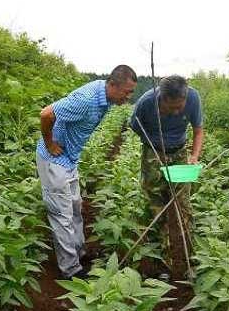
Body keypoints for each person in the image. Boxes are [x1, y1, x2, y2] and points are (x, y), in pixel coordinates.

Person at [37, 65, 137, 280]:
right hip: (55, 160)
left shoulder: (105, 97)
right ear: (112, 85)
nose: (128, 97)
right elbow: (46, 113)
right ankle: (71, 270)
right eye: (126, 92)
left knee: (75, 207)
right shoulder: (87, 98)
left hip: (69, 159)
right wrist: (50, 143)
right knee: (61, 215)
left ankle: (79, 252)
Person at [129, 75, 203, 277]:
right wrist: (154, 146)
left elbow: (198, 130)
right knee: (156, 208)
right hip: (153, 152)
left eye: (180, 106)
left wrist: (194, 156)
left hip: (179, 153)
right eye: (172, 107)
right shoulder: (146, 103)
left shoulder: (194, 98)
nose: (177, 111)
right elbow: (135, 126)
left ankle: (191, 263)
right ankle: (160, 264)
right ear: (162, 98)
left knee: (184, 208)